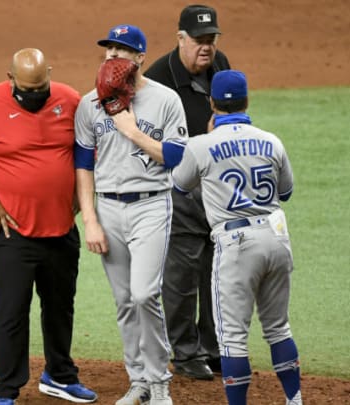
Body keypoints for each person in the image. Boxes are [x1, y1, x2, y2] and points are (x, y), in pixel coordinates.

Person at [0, 48, 97, 405]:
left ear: (50, 76)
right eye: (26, 91)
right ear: (10, 78)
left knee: (60, 306)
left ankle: (59, 375)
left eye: (40, 89)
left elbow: (89, 150)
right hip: (9, 231)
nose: (34, 98)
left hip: (61, 228)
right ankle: (7, 390)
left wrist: (82, 194)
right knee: (13, 309)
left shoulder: (70, 100)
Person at [171, 70, 303, 405]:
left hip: (237, 245)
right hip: (276, 238)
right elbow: (285, 192)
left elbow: (179, 185)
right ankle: (295, 399)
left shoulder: (201, 145)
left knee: (231, 338)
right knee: (278, 328)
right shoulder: (272, 141)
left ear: (212, 103)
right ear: (247, 100)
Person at [73, 24, 188, 405]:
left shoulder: (165, 99)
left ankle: (158, 382)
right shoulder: (89, 103)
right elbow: (83, 166)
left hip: (151, 204)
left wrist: (132, 130)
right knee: (124, 301)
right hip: (107, 207)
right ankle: (137, 379)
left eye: (122, 50)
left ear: (140, 58)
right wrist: (89, 219)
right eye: (109, 50)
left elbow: (175, 158)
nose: (113, 56)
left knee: (143, 294)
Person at [144, 4, 231, 380]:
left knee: (218, 271)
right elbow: (143, 142)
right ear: (180, 38)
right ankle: (184, 352)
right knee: (181, 276)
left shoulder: (221, 66)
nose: (206, 47)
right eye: (199, 40)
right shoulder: (156, 79)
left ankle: (212, 347)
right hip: (176, 189)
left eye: (211, 39)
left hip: (216, 189)